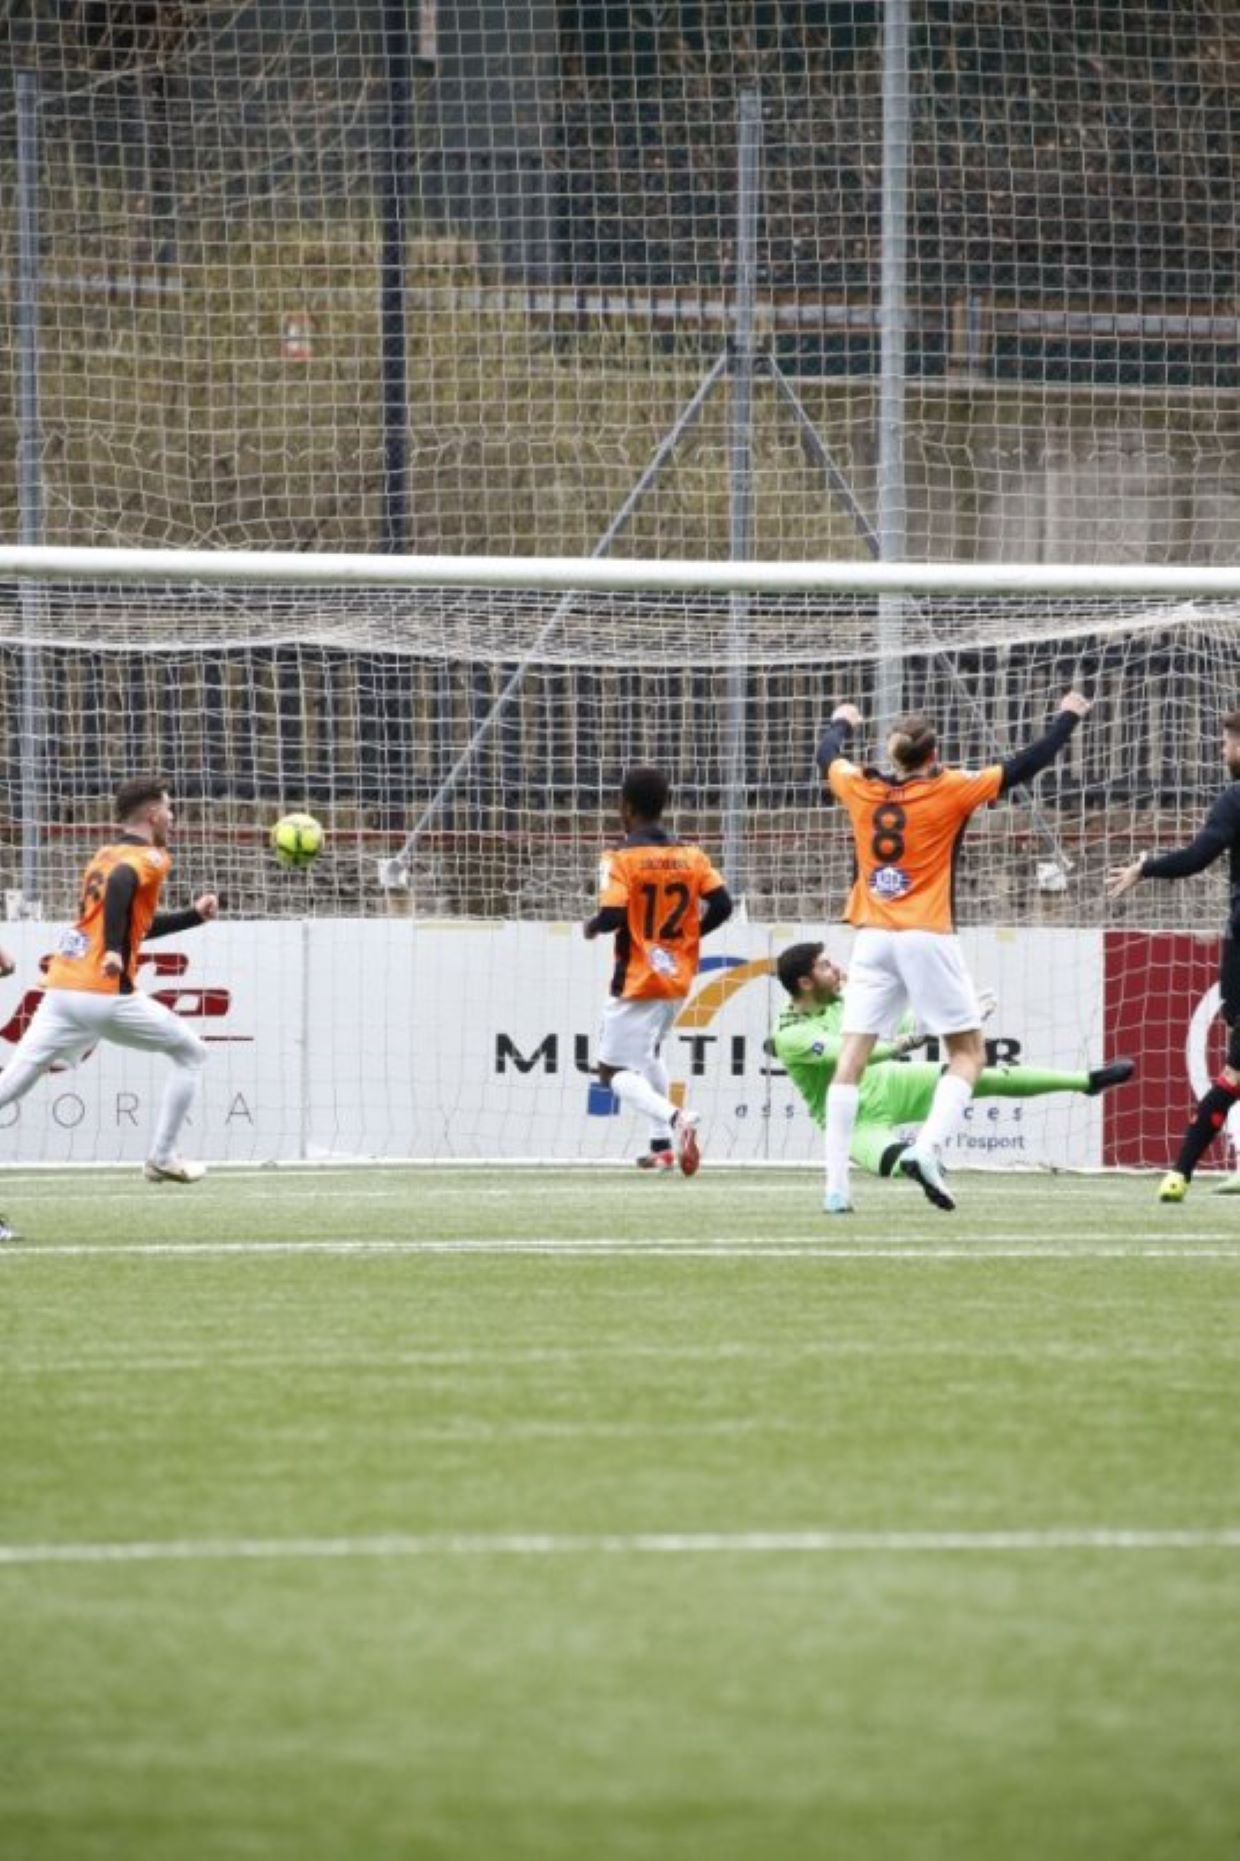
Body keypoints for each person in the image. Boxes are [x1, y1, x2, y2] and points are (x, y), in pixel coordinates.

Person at [817, 690, 1091, 1214]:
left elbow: (826, 754)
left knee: (850, 1061)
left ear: (893, 754)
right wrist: (1066, 719)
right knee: (968, 1054)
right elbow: (1023, 766)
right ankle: (926, 1148)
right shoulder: (952, 789)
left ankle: (835, 1189)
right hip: (926, 935)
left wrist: (842, 722)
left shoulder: (859, 786)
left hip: (871, 936)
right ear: (934, 754)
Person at [0, 776, 218, 1184]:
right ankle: (162, 1156)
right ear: (153, 815)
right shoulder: (152, 858)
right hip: (103, 992)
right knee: (191, 1053)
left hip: (62, 986)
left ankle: (162, 1156)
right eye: (168, 809)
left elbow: (133, 925)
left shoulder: (103, 853)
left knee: (9, 1086)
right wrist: (116, 951)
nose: (172, 817)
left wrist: (193, 916)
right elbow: (121, 885)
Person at [771, 940, 1134, 1177]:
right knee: (902, 1165)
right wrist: (905, 1043)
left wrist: (958, 1017)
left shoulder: (845, 997)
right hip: (854, 1121)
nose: (835, 968)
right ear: (805, 983)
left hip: (893, 1085)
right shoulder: (790, 1033)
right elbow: (854, 1056)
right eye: (823, 966)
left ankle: (1087, 1081)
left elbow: (905, 1020)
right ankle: (925, 1169)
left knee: (981, 1075)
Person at [1108, 708, 1240, 1202]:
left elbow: (1198, 857)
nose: (1223, 752)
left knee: (1233, 1074)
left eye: (1227, 742)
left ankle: (1180, 1172)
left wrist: (1147, 867)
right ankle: (1181, 1172)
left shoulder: (1234, 799)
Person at [583, 766, 732, 1174]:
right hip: (678, 976)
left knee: (610, 1070)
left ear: (625, 807)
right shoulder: (692, 856)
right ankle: (662, 1145)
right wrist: (688, 938)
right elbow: (723, 905)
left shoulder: (620, 859)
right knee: (650, 1052)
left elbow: (612, 915)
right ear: (664, 805)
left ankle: (675, 1119)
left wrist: (592, 926)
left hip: (637, 979)